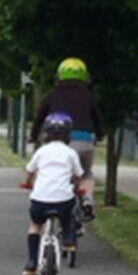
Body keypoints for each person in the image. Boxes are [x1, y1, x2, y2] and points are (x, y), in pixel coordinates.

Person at [29, 57, 103, 220]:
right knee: (86, 174)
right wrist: (99, 135)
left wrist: (34, 136)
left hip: (58, 141)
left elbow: (39, 118)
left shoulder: (52, 95)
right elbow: (97, 119)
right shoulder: (88, 96)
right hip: (84, 141)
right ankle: (88, 200)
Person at [21, 112, 83, 275]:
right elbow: (78, 175)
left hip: (40, 200)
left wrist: (28, 183)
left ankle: (31, 262)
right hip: (62, 200)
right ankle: (68, 239)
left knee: (35, 226)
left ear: (46, 133)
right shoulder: (70, 153)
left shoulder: (41, 151)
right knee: (69, 210)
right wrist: (76, 186)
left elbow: (29, 171)